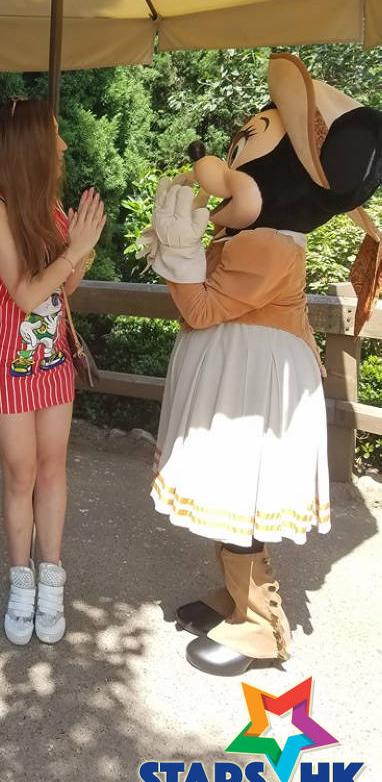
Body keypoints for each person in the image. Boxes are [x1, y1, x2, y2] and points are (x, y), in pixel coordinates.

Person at [138, 53, 382, 676]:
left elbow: (201, 308)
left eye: (242, 161)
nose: (220, 170)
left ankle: (261, 624)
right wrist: (183, 244)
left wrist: (179, 250)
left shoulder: (271, 244)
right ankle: (234, 594)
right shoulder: (248, 237)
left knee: (238, 495)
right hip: (238, 375)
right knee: (228, 494)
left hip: (251, 389)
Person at [0, 98, 106, 645]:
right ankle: (20, 583)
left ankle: (52, 581)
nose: (64, 145)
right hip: (6, 362)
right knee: (21, 474)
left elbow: (63, 288)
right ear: (29, 144)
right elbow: (26, 295)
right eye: (54, 134)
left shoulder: (49, 208)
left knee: (53, 470)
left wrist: (81, 251)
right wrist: (74, 249)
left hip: (53, 362)